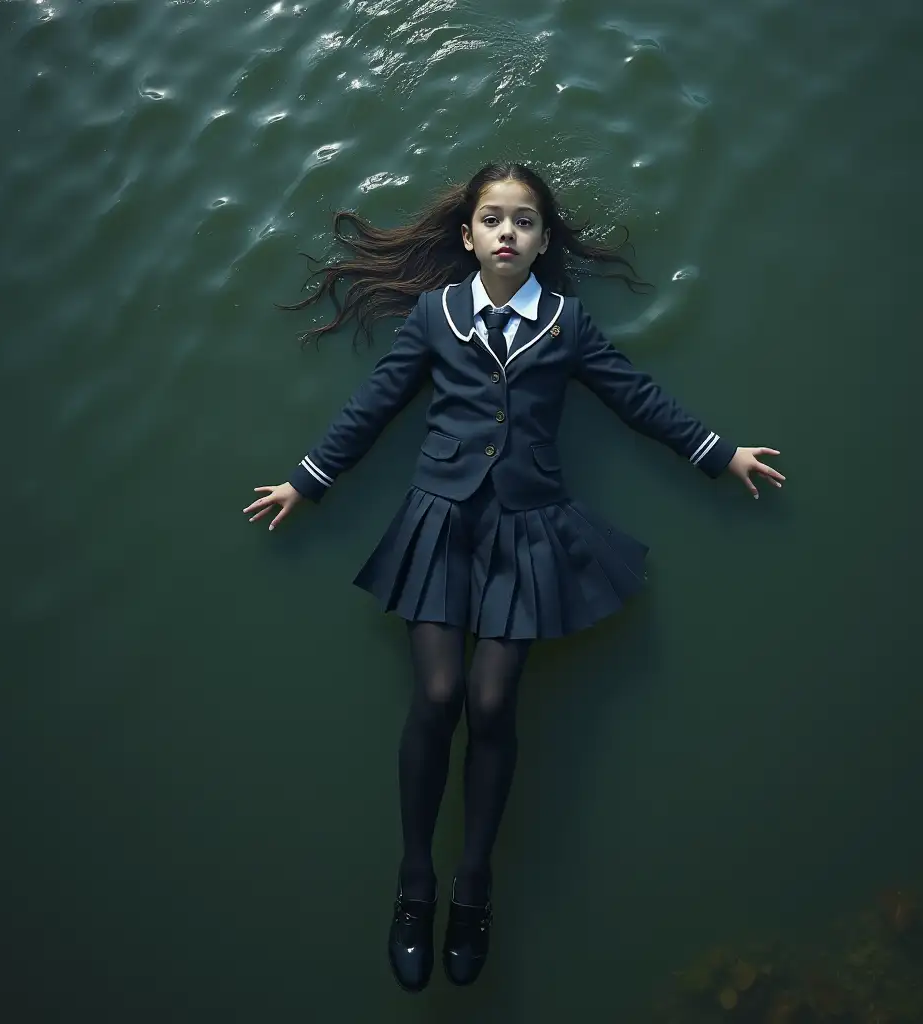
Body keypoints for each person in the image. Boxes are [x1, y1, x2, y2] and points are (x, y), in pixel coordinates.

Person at [243, 162, 784, 992]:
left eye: (524, 222)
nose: (507, 232)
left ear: (542, 241)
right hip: (439, 521)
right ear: (467, 236)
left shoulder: (565, 326)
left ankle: (475, 883)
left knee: (492, 701)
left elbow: (636, 397)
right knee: (436, 696)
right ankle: (416, 882)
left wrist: (720, 454)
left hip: (528, 529)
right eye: (492, 219)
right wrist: (307, 481)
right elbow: (375, 405)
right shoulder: (434, 315)